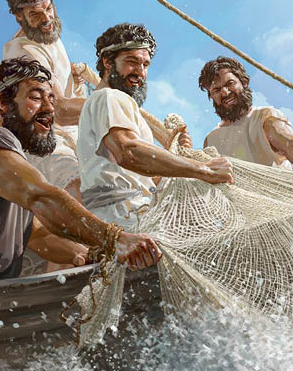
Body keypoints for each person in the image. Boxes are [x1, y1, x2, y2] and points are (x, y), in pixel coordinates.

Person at [0, 58, 161, 286]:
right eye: (35, 97)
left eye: (51, 99)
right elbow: (42, 197)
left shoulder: (14, 166)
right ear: (4, 103)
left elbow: (38, 236)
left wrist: (89, 254)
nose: (48, 109)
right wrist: (115, 239)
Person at [77, 23, 233, 226]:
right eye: (132, 62)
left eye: (145, 65)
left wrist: (173, 157)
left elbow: (137, 177)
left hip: (128, 213)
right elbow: (129, 152)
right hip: (125, 218)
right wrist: (204, 169)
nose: (140, 72)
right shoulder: (108, 96)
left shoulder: (115, 103)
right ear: (107, 62)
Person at [1, 0, 87, 200]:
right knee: (78, 188)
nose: (47, 18)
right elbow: (60, 109)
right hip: (44, 141)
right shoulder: (20, 51)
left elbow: (66, 88)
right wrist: (111, 105)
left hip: (74, 135)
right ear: (19, 16)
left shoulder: (48, 35)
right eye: (35, 15)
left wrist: (77, 83)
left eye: (48, 9)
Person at [198, 56, 293, 169]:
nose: (225, 93)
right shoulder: (211, 141)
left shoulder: (265, 118)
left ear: (244, 82)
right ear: (212, 96)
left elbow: (290, 144)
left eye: (230, 84)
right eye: (216, 90)